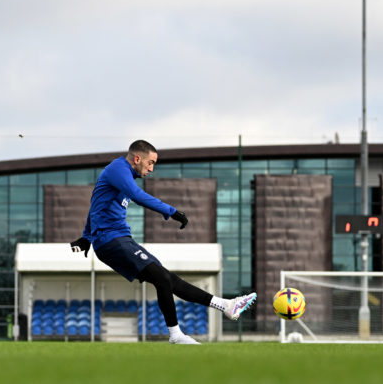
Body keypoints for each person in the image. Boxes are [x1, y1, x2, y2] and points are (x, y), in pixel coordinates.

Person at [70, 140, 257, 344]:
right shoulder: (118, 169)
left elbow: (96, 203)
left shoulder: (123, 175)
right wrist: (172, 212)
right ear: (137, 158)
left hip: (119, 239)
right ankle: (176, 335)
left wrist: (87, 236)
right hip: (110, 241)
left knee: (168, 279)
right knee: (162, 278)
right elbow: (137, 196)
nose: (152, 168)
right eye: (150, 163)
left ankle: (225, 306)